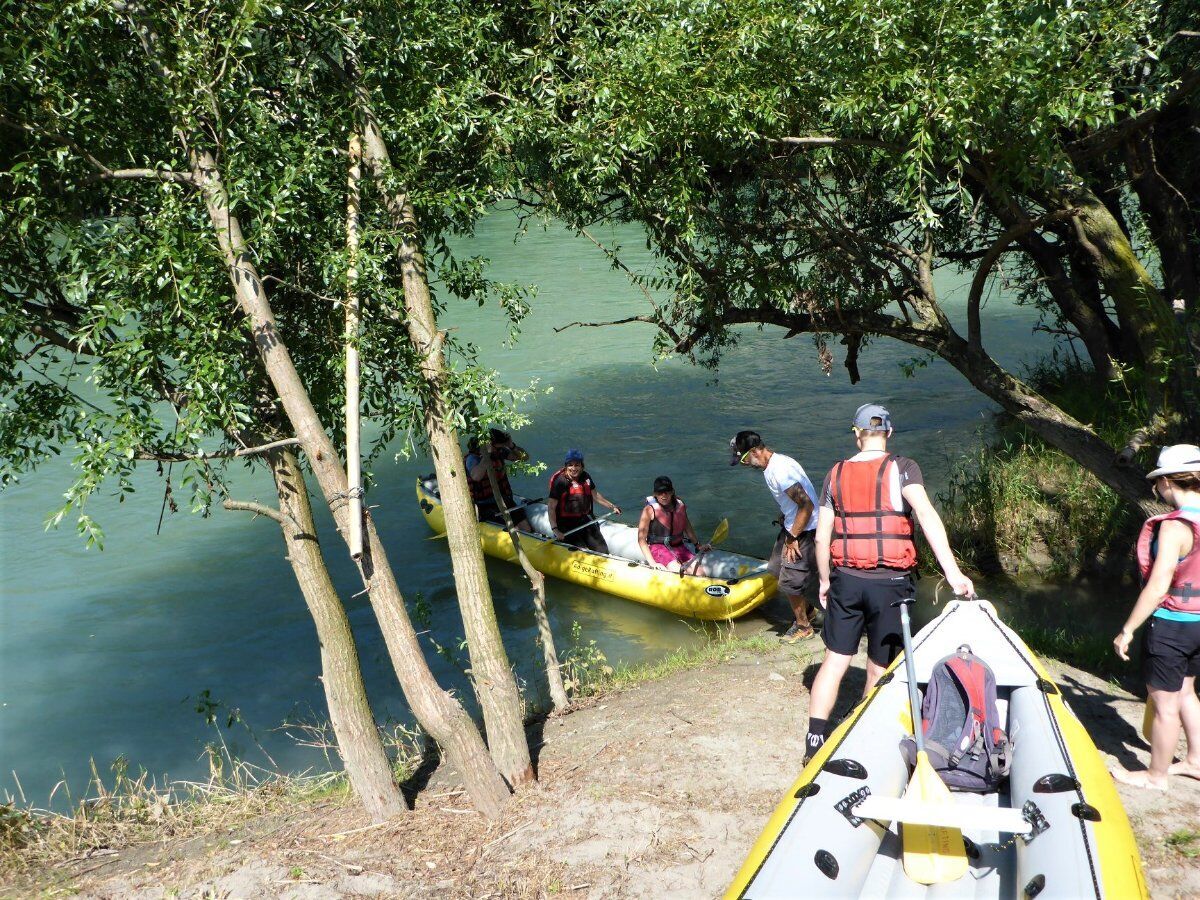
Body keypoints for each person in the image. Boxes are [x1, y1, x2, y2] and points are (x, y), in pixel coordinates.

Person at [805, 403, 973, 762]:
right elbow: (926, 515)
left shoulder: (834, 474)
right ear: (890, 433)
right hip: (892, 583)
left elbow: (822, 538)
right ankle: (865, 740)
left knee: (834, 661)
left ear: (856, 433)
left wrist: (823, 580)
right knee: (879, 666)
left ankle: (815, 741)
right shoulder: (904, 469)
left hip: (846, 579)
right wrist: (952, 573)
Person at [1110, 444, 1200, 790]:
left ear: (1165, 483)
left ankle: (1156, 776)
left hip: (1174, 626)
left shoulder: (1174, 528)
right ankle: (1194, 760)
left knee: (1164, 704)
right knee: (1188, 692)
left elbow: (1159, 584)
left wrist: (1128, 629)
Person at [730, 430, 819, 642]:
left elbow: (806, 504)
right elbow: (797, 500)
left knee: (790, 581)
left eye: (743, 458)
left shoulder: (780, 470)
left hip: (804, 529)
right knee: (776, 567)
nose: (743, 464)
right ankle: (809, 611)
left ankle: (804, 626)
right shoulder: (774, 465)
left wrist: (792, 537)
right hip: (793, 523)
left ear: (754, 451)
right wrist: (785, 514)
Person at [547, 449, 621, 553]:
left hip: (583, 520)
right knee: (582, 551)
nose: (573, 468)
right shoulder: (560, 482)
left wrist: (612, 506)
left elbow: (595, 496)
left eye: (577, 465)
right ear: (566, 466)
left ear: (582, 466)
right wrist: (555, 529)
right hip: (565, 524)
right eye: (570, 465)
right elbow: (551, 507)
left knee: (602, 550)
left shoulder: (586, 477)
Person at [637, 476, 711, 575]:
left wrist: (697, 545)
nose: (664, 495)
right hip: (659, 548)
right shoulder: (649, 510)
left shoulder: (680, 505)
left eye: (667, 491)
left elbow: (687, 526)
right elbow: (641, 539)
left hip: (679, 546)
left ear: (672, 492)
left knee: (700, 572)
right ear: (655, 494)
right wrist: (652, 563)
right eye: (660, 492)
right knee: (678, 571)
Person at [465, 428, 531, 532]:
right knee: (515, 530)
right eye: (498, 447)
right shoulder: (472, 459)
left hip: (503, 499)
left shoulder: (499, 451)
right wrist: (487, 454)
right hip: (484, 504)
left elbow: (524, 457)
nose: (501, 449)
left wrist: (511, 446)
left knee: (526, 527)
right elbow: (476, 476)